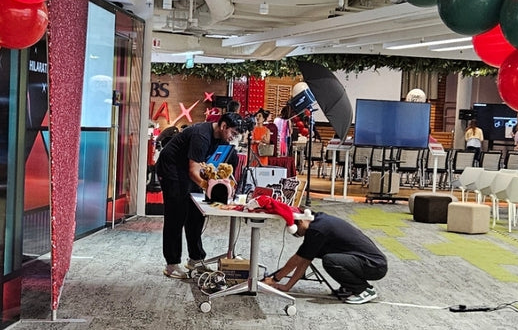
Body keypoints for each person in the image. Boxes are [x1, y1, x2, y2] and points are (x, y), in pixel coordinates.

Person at [155, 111, 243, 278]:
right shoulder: (201, 136)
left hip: (186, 170)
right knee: (177, 214)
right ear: (223, 126)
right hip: (171, 168)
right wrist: (210, 188)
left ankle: (196, 259)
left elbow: (208, 165)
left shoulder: (220, 137)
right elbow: (193, 170)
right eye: (233, 133)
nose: (233, 137)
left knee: (196, 212)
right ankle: (171, 264)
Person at [263, 208, 387, 304]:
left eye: (296, 228)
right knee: (330, 258)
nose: (296, 232)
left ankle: (364, 290)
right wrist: (287, 286)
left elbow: (297, 259)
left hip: (374, 265)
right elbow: (305, 260)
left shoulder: (317, 230)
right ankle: (350, 287)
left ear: (301, 221)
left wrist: (275, 279)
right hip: (369, 262)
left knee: (330, 261)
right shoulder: (318, 221)